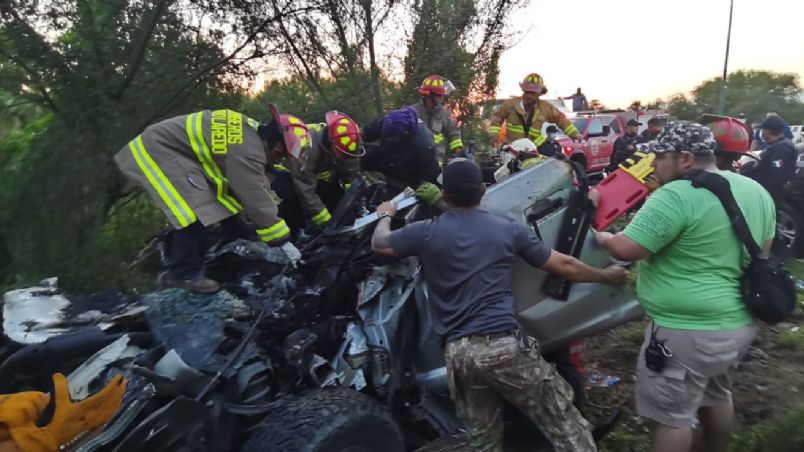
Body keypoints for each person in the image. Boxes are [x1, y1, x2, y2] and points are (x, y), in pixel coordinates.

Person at [371, 159, 628, 452]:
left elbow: (380, 244)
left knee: (484, 442)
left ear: (444, 196)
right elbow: (565, 265)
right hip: (503, 346)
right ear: (482, 191)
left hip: (459, 356)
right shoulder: (507, 230)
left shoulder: (425, 232)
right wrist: (606, 275)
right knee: (565, 425)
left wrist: (385, 214)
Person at [593, 121, 776, 452]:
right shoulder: (755, 191)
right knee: (717, 394)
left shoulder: (676, 194)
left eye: (660, 157)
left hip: (686, 331)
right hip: (738, 324)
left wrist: (604, 237)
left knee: (673, 416)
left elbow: (627, 249)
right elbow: (763, 250)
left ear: (686, 159)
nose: (654, 164)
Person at [115, 105, 304, 293]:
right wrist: (282, 241)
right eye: (280, 154)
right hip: (157, 150)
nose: (279, 159)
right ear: (274, 142)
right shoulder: (248, 151)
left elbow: (243, 187)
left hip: (175, 151)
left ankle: (237, 233)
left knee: (216, 197)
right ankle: (183, 273)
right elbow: (254, 195)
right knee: (192, 207)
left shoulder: (253, 134)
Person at [286, 111, 363, 228]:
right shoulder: (306, 150)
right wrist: (326, 222)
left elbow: (350, 170)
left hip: (317, 174)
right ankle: (297, 230)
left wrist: (355, 198)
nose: (345, 158)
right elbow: (305, 189)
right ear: (331, 144)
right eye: (342, 154)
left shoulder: (349, 140)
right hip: (291, 173)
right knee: (291, 197)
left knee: (337, 197)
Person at [361, 106, 443, 207]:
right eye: (387, 134)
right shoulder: (389, 122)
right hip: (385, 156)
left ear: (407, 133)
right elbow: (364, 133)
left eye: (393, 136)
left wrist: (423, 188)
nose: (388, 138)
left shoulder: (425, 144)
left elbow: (430, 174)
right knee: (358, 158)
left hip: (407, 172)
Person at [489, 73, 582, 147]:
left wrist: (574, 134)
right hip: (512, 150)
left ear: (539, 94)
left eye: (533, 93)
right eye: (527, 92)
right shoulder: (510, 104)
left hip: (535, 151)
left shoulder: (546, 108)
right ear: (523, 91)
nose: (529, 95)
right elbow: (497, 119)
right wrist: (493, 135)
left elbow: (561, 119)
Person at [408, 75, 464, 164]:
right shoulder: (412, 112)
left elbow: (453, 133)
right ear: (430, 96)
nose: (442, 98)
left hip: (436, 163)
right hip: (414, 162)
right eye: (440, 96)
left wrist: (459, 152)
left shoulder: (444, 113)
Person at [743, 115, 798, 205]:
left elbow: (774, 176)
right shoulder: (779, 146)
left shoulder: (781, 149)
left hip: (770, 197)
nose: (762, 133)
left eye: (763, 130)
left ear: (768, 131)